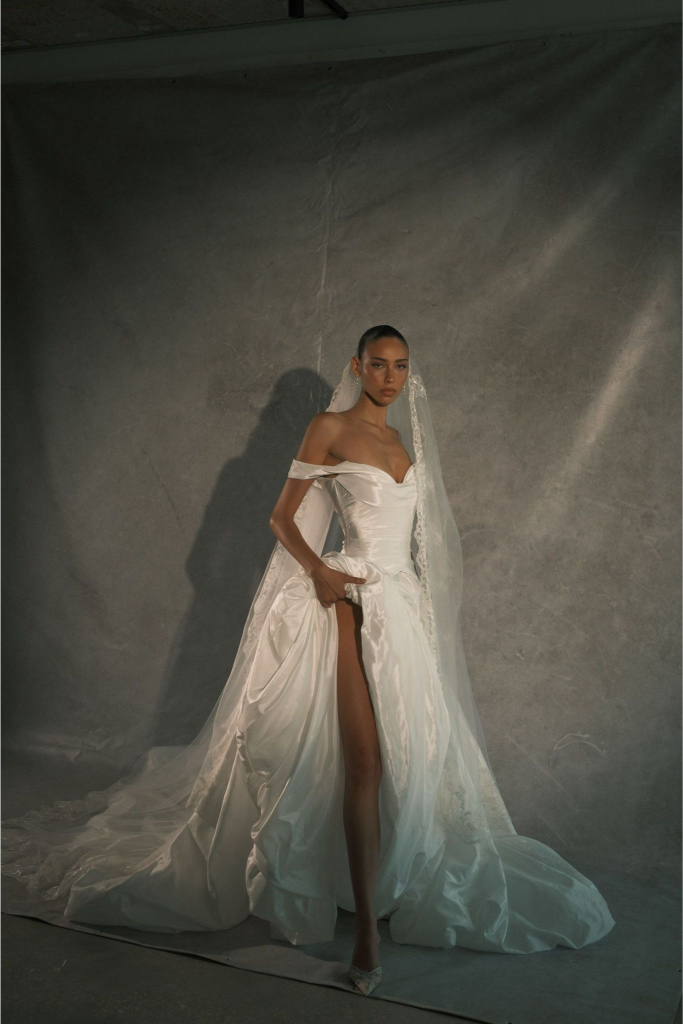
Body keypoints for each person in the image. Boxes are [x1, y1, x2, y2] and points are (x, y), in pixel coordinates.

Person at [2, 326, 615, 998]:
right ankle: (365, 936)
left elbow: (417, 542)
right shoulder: (329, 428)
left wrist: (414, 610)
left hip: (400, 611)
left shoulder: (402, 442)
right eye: (377, 365)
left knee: (409, 761)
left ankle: (371, 886)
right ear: (356, 366)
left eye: (400, 366)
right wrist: (321, 574)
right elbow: (280, 518)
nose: (390, 378)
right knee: (364, 761)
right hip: (344, 600)